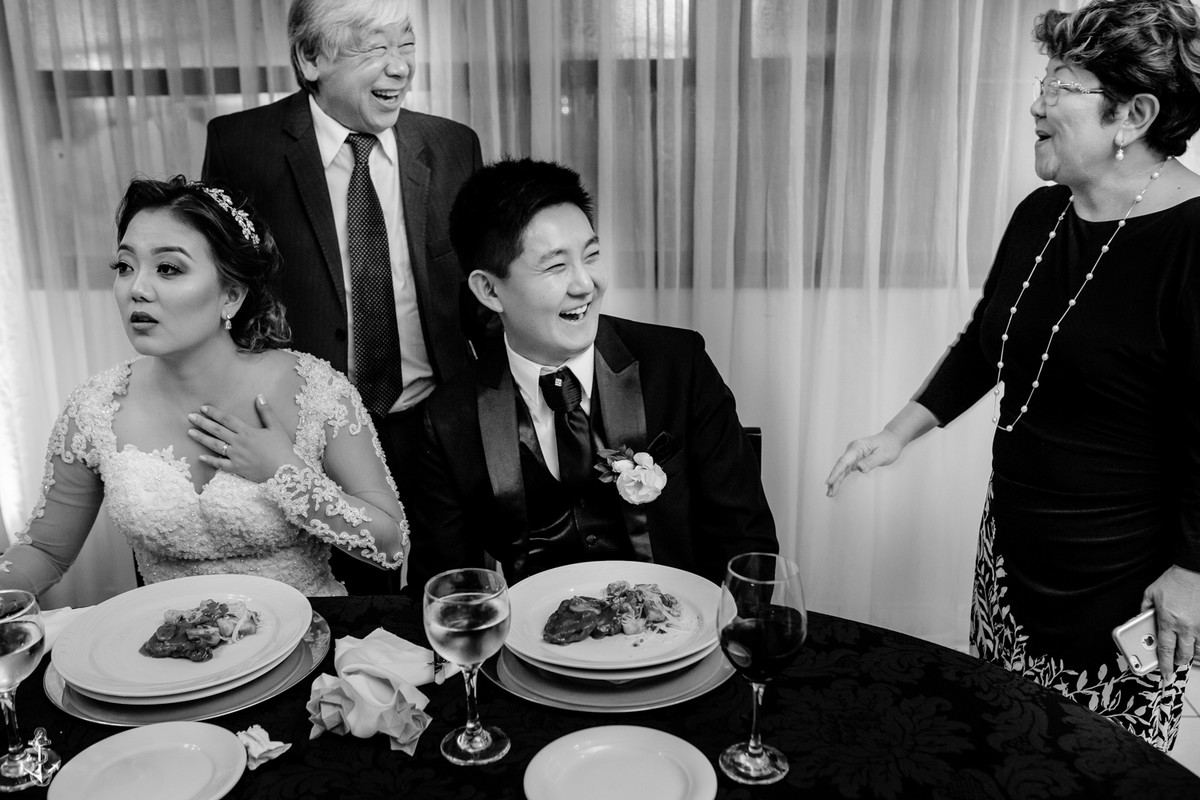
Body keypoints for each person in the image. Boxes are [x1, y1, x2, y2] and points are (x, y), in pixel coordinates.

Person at [825, 0, 1200, 751]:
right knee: (1002, 740)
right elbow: (983, 343)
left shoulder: (1193, 243)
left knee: (1100, 764)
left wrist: (1193, 571)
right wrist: (897, 433)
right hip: (1012, 549)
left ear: (1134, 115)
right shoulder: (1041, 214)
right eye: (1043, 82)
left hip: (1120, 573)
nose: (1037, 103)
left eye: (1060, 86)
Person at [0, 176, 407, 598]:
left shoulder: (317, 393)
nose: (136, 289)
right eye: (124, 266)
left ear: (230, 295)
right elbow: (44, 552)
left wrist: (286, 473)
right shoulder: (95, 410)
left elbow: (391, 546)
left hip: (308, 632)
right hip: (170, 636)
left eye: (168, 269)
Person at [201, 0, 483, 593]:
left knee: (450, 591)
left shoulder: (453, 145)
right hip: (309, 433)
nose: (400, 66)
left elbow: (479, 297)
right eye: (375, 48)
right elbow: (222, 292)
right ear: (311, 58)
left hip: (435, 419)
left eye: (406, 44)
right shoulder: (242, 145)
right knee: (348, 605)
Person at [406, 158, 777, 589]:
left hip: (678, 623)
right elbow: (445, 587)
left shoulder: (679, 365)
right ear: (489, 290)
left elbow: (745, 545)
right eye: (555, 266)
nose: (586, 284)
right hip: (534, 629)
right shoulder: (450, 417)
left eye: (592, 255)